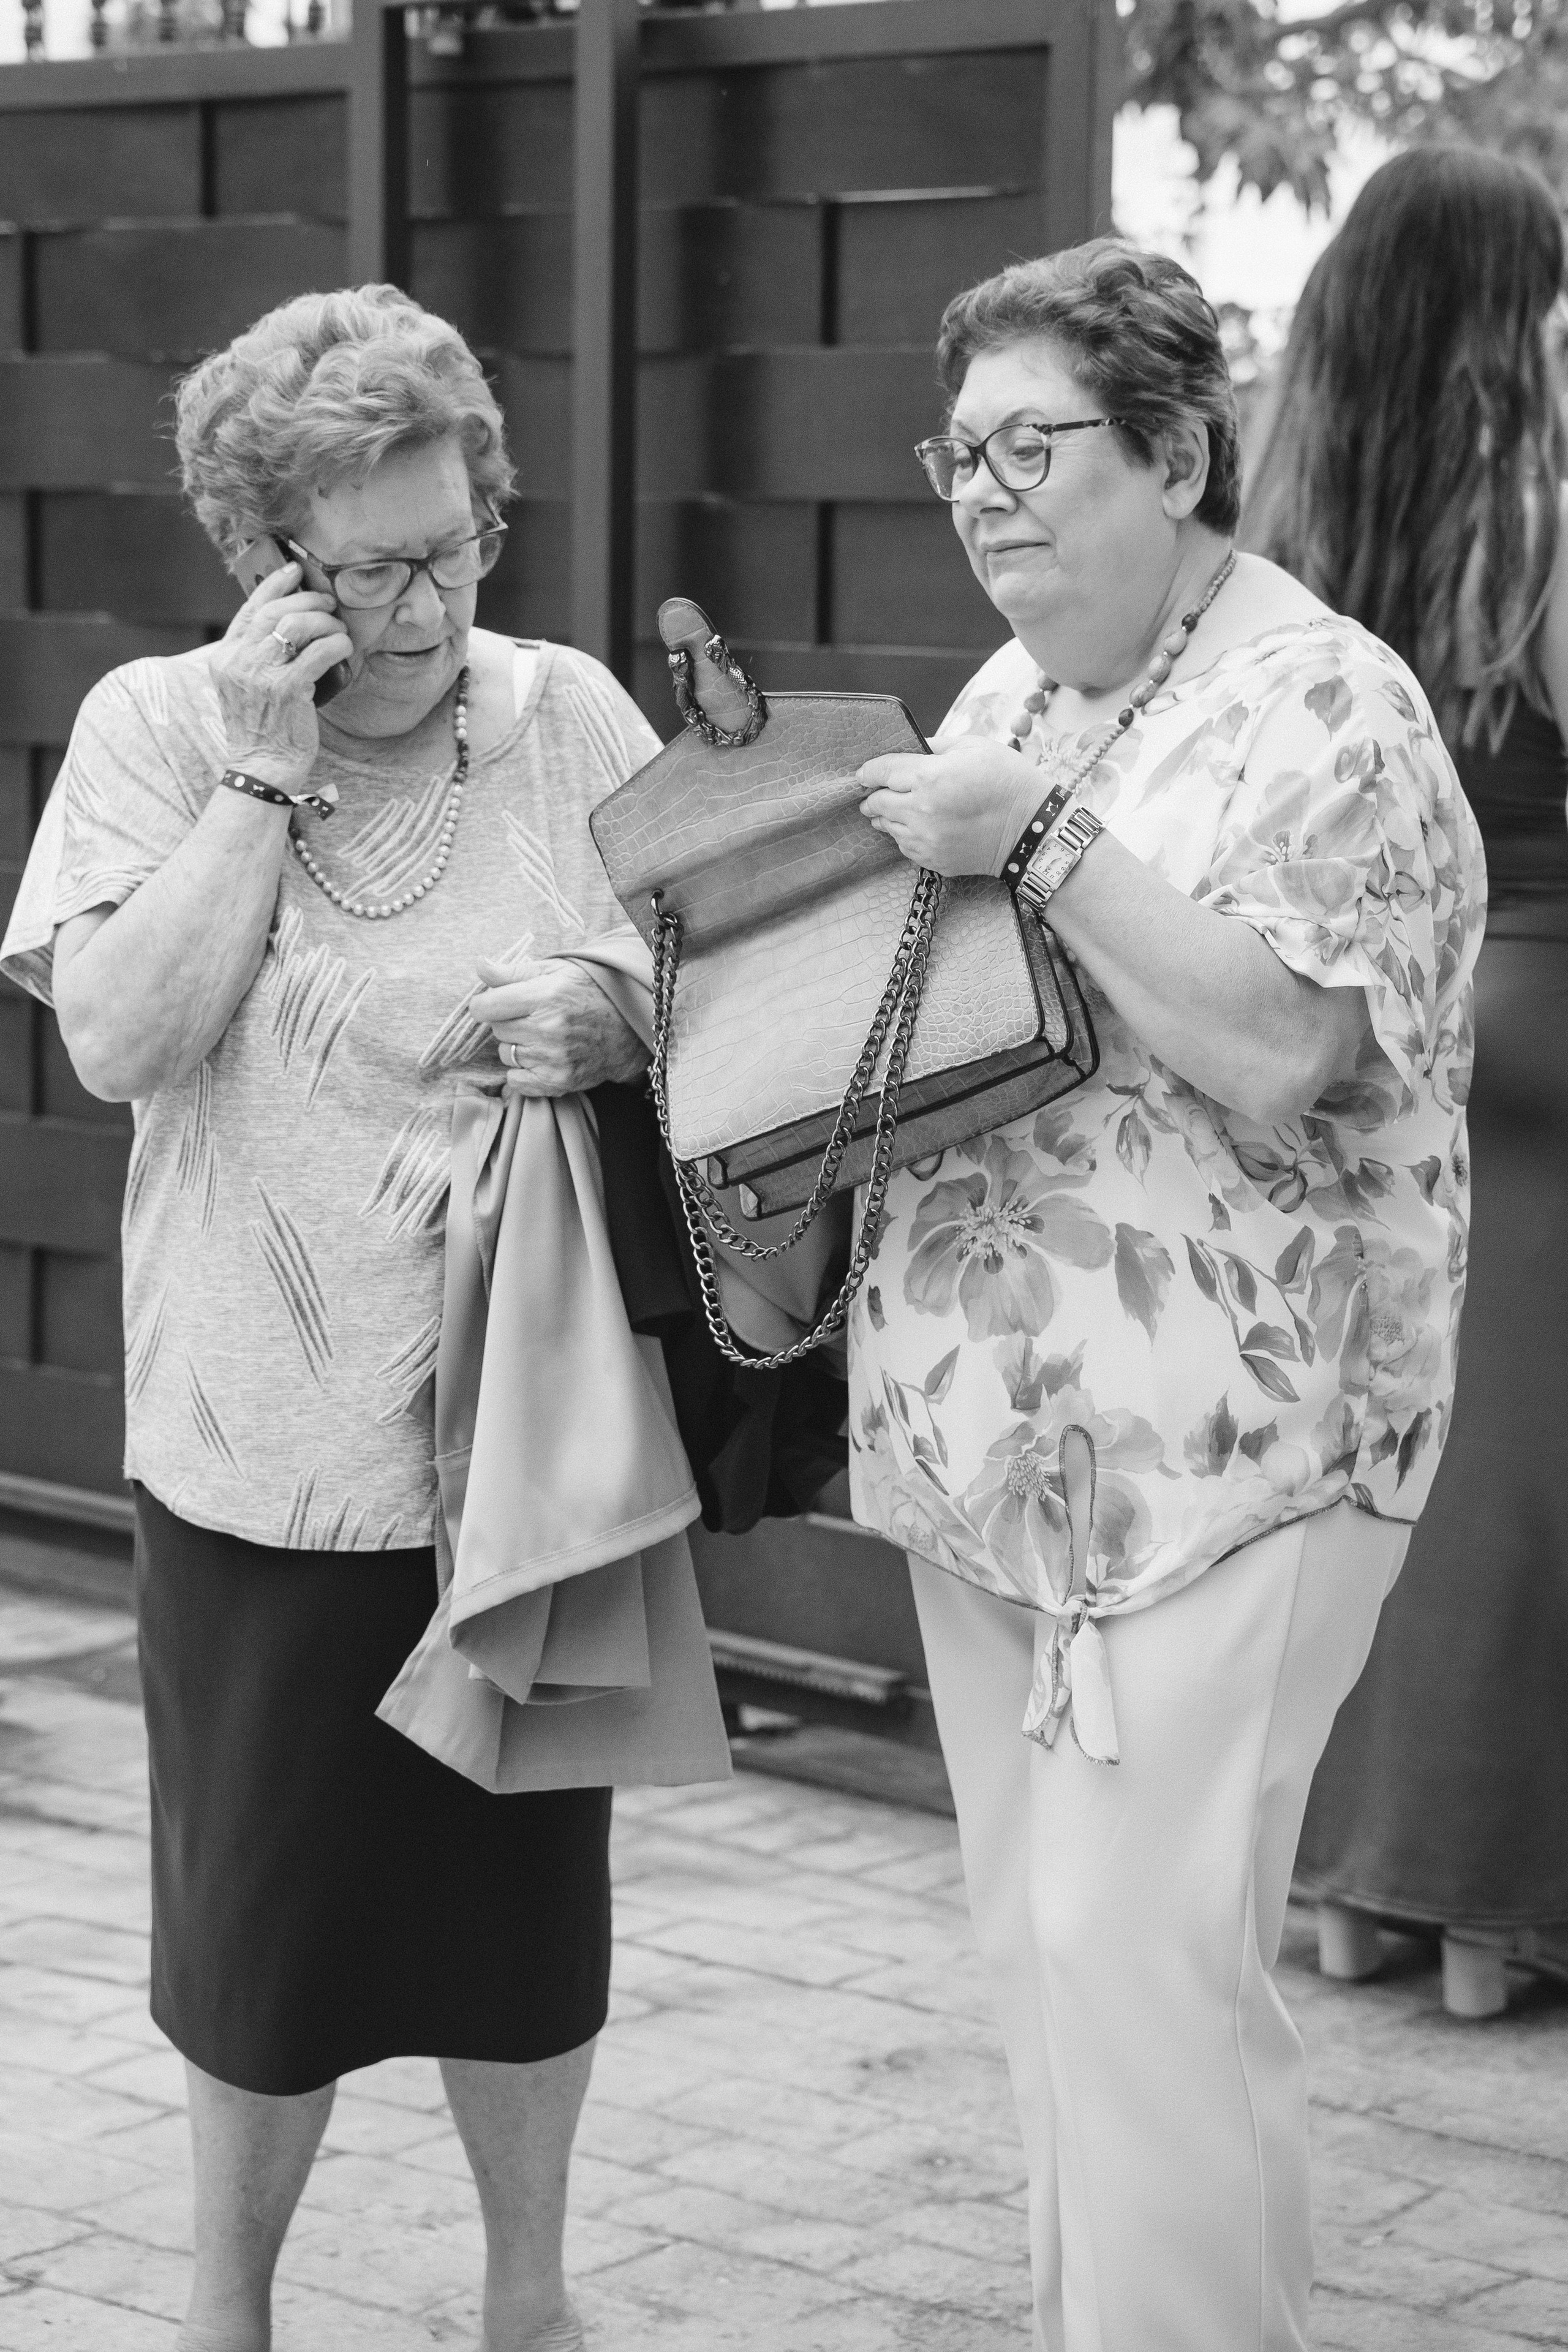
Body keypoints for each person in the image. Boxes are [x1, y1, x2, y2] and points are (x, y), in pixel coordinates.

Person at [0, 284, 673, 2352]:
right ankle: (230, 2314)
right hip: (264, 1449)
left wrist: (615, 1012)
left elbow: (719, 980)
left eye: (459, 547)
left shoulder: (569, 714)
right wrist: (261, 779)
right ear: (265, 556)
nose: (429, 608)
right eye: (370, 570)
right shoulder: (157, 729)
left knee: (526, 1922)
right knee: (262, 1936)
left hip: (526, 1438)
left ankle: (530, 2303)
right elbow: (117, 1037)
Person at [851, 239, 1484, 2351]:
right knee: (1053, 1964)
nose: (985, 496)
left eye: (1033, 449)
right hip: (995, 1444)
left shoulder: (1331, 700)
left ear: (1180, 457)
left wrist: (1038, 843)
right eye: (962, 454)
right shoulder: (1011, 696)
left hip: (1240, 1447)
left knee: (1143, 1966)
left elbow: (1285, 1047)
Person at [1243, 146, 1568, 2016]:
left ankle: (1356, 1889)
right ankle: (1490, 1903)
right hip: (1540, 1025)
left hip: (1362, 1033)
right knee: (1521, 1485)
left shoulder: (1280, 527)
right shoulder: (1537, 525)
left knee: (1387, 1460)